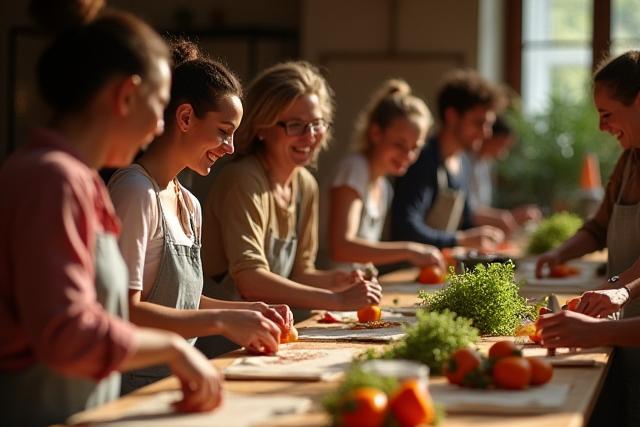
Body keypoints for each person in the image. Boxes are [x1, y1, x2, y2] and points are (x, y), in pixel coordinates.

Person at [0, 8, 222, 426]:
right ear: (125, 96)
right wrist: (174, 349)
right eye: (158, 108)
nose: (159, 127)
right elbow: (67, 337)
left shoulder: (76, 179)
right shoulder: (52, 179)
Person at [108, 39, 292, 393]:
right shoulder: (135, 191)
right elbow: (124, 312)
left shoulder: (190, 203)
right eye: (224, 131)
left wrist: (246, 310)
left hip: (179, 383)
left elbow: (181, 302)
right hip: (133, 387)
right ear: (186, 117)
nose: (231, 148)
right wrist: (222, 321)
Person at [201, 61, 382, 318]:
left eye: (317, 124)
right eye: (295, 125)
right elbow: (250, 281)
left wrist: (340, 280)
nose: (310, 136)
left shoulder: (305, 185)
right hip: (222, 339)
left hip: (266, 332)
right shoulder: (242, 179)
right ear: (262, 127)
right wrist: (338, 300)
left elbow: (301, 273)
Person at [535, 50, 640, 427]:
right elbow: (598, 227)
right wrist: (560, 252)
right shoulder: (629, 162)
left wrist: (619, 290)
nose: (601, 127)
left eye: (607, 113)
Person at [327, 79, 444, 270]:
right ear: (376, 133)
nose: (408, 156)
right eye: (399, 144)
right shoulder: (354, 169)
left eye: (415, 148)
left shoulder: (384, 187)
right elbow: (341, 248)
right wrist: (409, 250)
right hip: (327, 293)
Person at [390, 69, 506, 249]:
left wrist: (488, 230)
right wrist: (459, 240)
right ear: (452, 116)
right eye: (478, 123)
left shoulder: (463, 162)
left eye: (488, 125)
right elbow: (407, 229)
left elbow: (465, 219)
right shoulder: (422, 158)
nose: (486, 133)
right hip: (405, 271)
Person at [462, 116, 541, 235]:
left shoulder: (485, 165)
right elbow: (467, 211)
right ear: (489, 137)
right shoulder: (464, 161)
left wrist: (511, 216)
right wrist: (506, 217)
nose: (502, 153)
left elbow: (480, 207)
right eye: (501, 145)